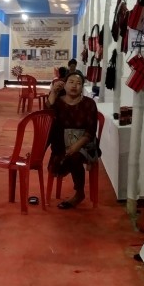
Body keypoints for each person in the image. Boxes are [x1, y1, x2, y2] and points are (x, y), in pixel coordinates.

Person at [47, 71, 99, 209]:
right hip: (61, 144)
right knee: (63, 155)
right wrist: (53, 92)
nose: (74, 86)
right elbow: (48, 116)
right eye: (70, 82)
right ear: (64, 85)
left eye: (78, 83)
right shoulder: (58, 102)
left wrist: (76, 146)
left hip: (84, 143)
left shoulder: (89, 104)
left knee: (74, 156)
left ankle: (79, 193)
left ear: (82, 87)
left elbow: (91, 131)